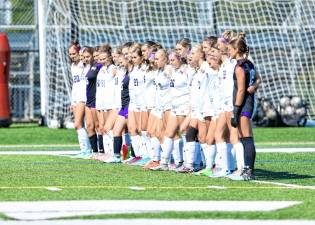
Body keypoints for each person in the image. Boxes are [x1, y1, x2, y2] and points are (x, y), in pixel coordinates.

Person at [227, 32, 260, 180]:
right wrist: (254, 86)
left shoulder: (240, 67)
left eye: (230, 49)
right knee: (243, 137)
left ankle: (248, 171)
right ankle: (247, 169)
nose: (228, 51)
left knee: (246, 138)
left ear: (237, 50)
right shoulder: (249, 63)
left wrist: (235, 110)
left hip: (243, 106)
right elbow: (258, 79)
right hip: (247, 104)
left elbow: (240, 90)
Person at [68, 41, 92, 158]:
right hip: (77, 98)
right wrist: (73, 102)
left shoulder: (85, 65)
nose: (72, 56)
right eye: (70, 54)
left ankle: (87, 150)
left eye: (74, 54)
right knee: (81, 124)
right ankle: (85, 149)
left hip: (84, 98)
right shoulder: (73, 66)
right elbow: (75, 85)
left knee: (78, 124)